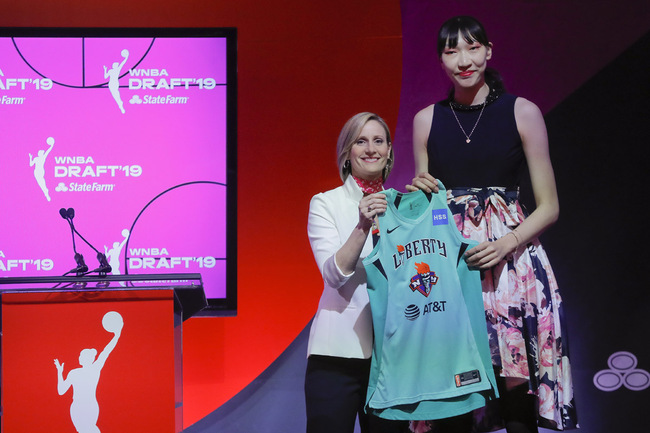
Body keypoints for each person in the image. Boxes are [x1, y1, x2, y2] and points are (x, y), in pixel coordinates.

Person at [407, 16, 578, 433]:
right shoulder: (426, 120)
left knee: (517, 395)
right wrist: (417, 193)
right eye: (452, 51)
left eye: (472, 48)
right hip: (453, 267)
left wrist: (507, 244)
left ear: (488, 51)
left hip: (513, 268)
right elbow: (427, 211)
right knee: (455, 392)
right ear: (440, 60)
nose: (464, 60)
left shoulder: (522, 112)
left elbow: (549, 205)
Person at [305, 112, 407, 433]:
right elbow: (335, 276)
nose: (370, 149)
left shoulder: (405, 207)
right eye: (361, 141)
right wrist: (362, 225)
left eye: (378, 141)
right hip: (337, 355)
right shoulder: (325, 203)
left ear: (389, 150)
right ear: (347, 152)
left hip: (394, 357)